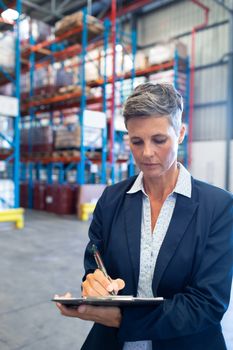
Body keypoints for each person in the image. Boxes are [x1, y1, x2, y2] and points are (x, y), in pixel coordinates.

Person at [56, 83, 233, 350]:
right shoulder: (112, 199)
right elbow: (95, 262)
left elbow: (207, 304)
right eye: (136, 141)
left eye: (159, 140)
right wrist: (94, 283)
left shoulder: (218, 207)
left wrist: (121, 319)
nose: (147, 152)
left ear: (181, 134)